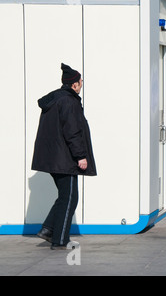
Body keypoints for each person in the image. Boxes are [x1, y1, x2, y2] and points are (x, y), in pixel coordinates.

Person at [32, 63, 97, 249]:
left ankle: (48, 229)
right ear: (74, 84)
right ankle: (60, 240)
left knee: (65, 196)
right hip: (65, 159)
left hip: (54, 157)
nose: (82, 83)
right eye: (80, 80)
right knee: (70, 197)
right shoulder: (69, 101)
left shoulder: (56, 99)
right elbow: (72, 131)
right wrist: (81, 156)